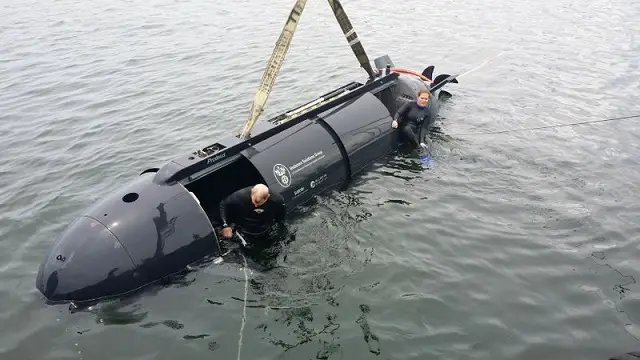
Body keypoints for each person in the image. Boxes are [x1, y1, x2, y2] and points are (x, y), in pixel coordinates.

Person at [218, 184, 286, 244]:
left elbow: (280, 218)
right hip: (244, 229)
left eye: (258, 203)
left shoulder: (277, 201)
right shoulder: (241, 195)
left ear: (267, 197)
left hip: (265, 229)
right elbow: (223, 204)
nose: (255, 206)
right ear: (252, 192)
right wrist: (225, 225)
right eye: (254, 201)